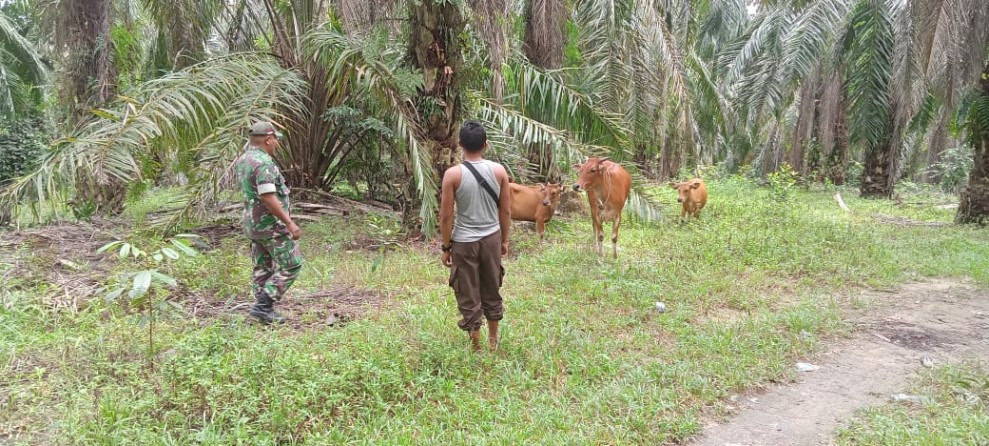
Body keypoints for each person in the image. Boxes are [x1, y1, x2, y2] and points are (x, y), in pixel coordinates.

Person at [439, 121, 512, 351]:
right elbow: (506, 210)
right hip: (491, 238)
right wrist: (505, 240)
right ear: (486, 145)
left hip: (464, 241)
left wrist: (445, 246)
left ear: (460, 144)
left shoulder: (452, 175)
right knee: (492, 287)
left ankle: (476, 347)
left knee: (468, 290)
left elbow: (446, 215)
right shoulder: (499, 171)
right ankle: (492, 341)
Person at [233, 121, 303, 324]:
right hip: (270, 225)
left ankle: (261, 311)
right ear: (268, 139)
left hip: (253, 225)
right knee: (292, 264)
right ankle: (263, 307)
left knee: (262, 266)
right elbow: (268, 197)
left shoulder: (244, 159)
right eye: (275, 141)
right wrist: (289, 223)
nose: (276, 145)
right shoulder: (263, 163)